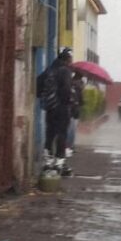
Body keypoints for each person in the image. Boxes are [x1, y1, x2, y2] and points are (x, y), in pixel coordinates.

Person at [43, 47, 75, 175]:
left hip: (50, 108)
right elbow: (66, 90)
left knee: (50, 134)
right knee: (62, 135)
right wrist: (69, 101)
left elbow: (39, 84)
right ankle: (59, 164)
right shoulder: (65, 71)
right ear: (68, 58)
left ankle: (48, 163)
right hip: (62, 108)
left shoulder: (50, 69)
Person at [66, 73, 85, 157]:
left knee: (69, 129)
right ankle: (69, 147)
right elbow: (80, 100)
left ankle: (69, 147)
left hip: (70, 109)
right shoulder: (78, 86)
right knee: (71, 129)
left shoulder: (71, 83)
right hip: (74, 110)